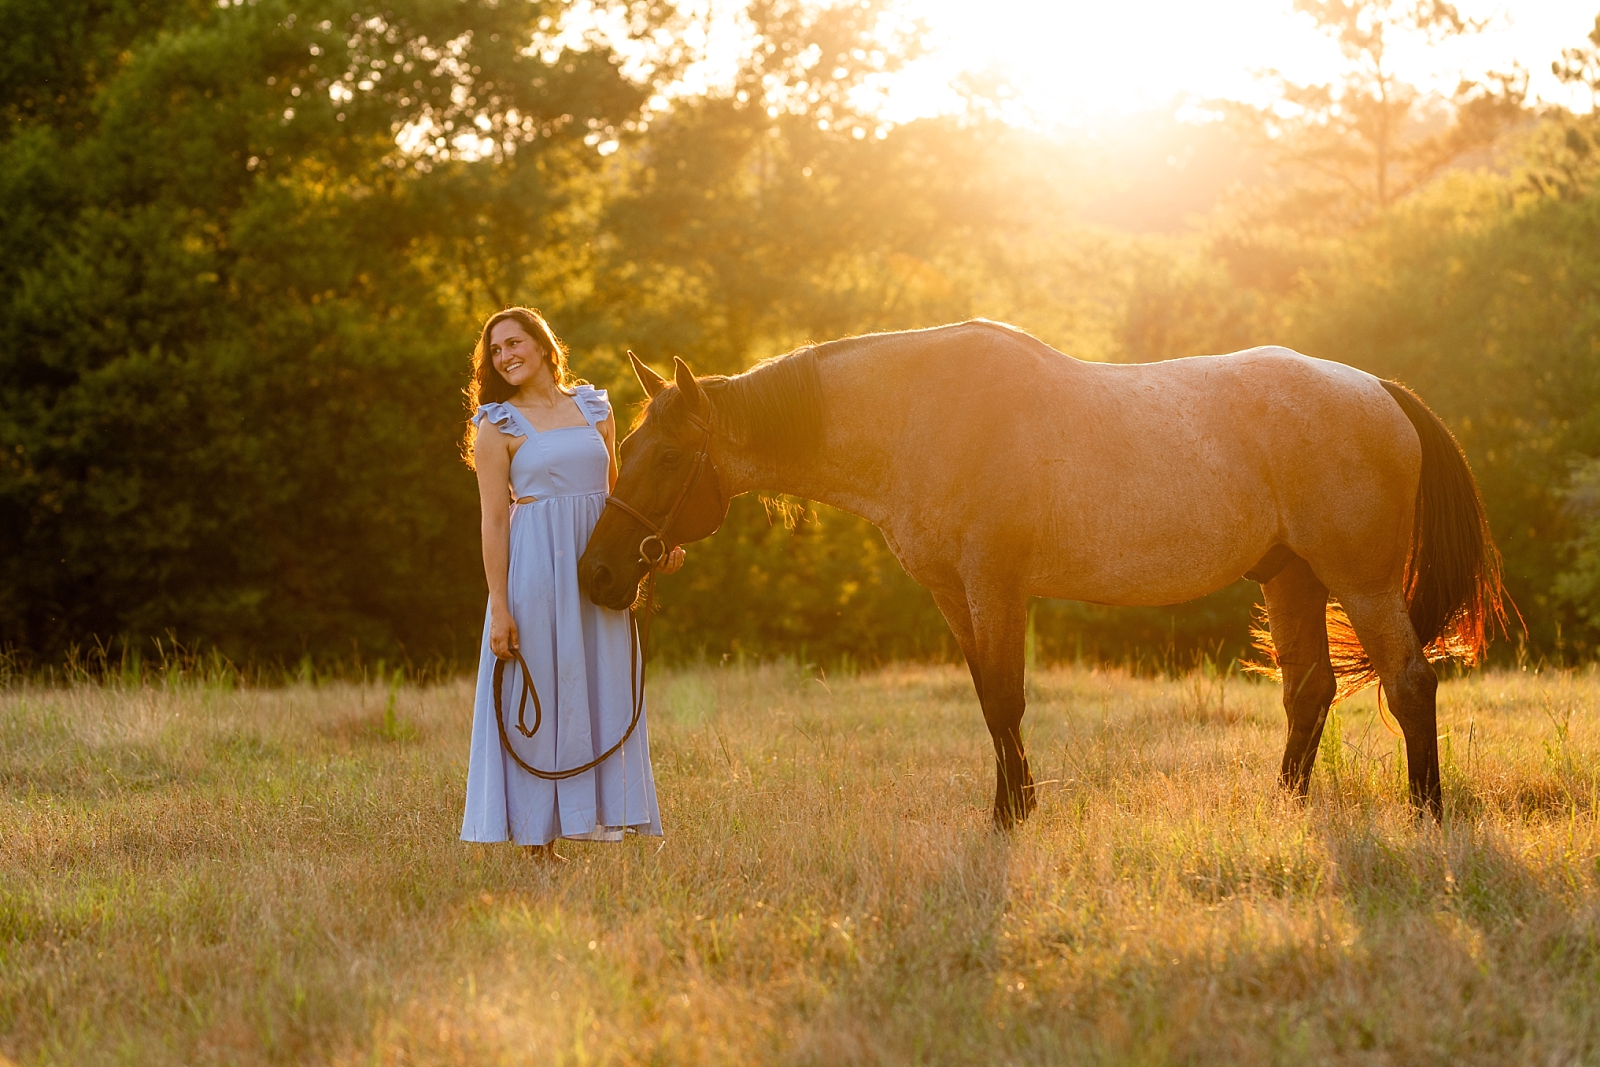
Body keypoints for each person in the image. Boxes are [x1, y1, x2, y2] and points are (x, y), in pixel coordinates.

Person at [459, 307, 683, 860]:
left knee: (603, 682)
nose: (505, 356)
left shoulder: (594, 408)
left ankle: (601, 814)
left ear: (543, 346)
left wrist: (655, 552)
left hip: (596, 569)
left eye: (514, 343)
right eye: (495, 351)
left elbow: (619, 498)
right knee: (544, 690)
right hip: (535, 570)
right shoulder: (497, 425)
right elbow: (491, 520)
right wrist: (499, 608)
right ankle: (537, 839)